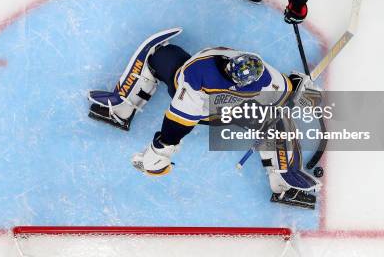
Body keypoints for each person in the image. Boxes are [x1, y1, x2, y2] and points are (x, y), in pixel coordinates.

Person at [88, 28, 320, 209]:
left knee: (158, 55)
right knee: (278, 122)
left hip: (223, 108)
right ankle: (283, 180)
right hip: (208, 109)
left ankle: (122, 112)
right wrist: (163, 146)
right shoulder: (198, 78)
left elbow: (281, 90)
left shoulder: (260, 73)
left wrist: (292, 90)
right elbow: (179, 121)